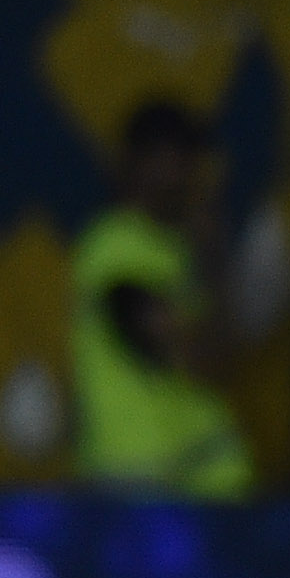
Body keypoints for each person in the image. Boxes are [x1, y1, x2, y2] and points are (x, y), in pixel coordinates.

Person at [71, 102, 254, 503]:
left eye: (194, 159)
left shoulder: (177, 251)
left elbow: (225, 358)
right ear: (139, 162)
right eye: (179, 158)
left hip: (200, 487)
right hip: (144, 491)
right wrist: (216, 261)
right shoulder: (115, 247)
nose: (192, 174)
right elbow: (204, 361)